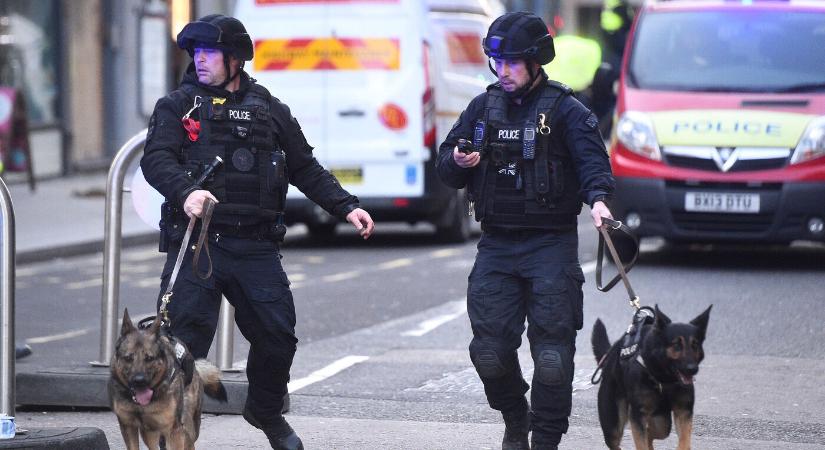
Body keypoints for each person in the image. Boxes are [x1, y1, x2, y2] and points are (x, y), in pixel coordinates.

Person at [140, 14, 374, 450]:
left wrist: (347, 207)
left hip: (255, 247)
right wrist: (186, 192)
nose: (200, 60)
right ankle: (172, 435)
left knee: (278, 336)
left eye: (209, 52)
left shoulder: (269, 109)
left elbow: (304, 166)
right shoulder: (177, 105)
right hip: (198, 246)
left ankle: (265, 411)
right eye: (196, 52)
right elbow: (156, 160)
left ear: (234, 59)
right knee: (179, 350)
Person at [436, 11, 615, 450]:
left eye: (513, 62)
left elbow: (595, 166)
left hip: (550, 245)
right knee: (489, 354)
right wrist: (458, 162)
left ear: (537, 61)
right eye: (497, 61)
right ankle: (517, 418)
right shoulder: (482, 107)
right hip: (496, 245)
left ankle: (546, 441)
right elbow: (446, 166)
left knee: (552, 359)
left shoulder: (568, 111)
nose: (504, 71)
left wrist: (599, 203)